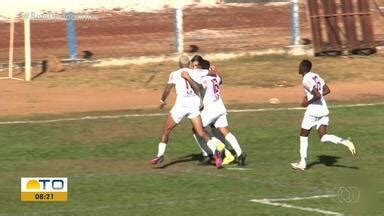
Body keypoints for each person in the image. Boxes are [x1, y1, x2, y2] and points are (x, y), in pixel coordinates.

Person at [150, 55, 225, 169]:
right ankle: (215, 152)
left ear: (179, 64)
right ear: (189, 64)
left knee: (166, 130)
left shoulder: (174, 74)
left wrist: (162, 101)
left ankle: (160, 155)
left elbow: (168, 89)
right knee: (201, 132)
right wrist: (213, 70)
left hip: (181, 106)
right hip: (193, 106)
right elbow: (212, 74)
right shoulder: (196, 72)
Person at [291, 59, 356, 171]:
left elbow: (316, 95)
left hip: (313, 112)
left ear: (303, 68)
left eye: (299, 66)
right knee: (323, 137)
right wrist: (314, 97)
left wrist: (307, 102)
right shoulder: (316, 75)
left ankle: (302, 163)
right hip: (323, 110)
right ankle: (345, 141)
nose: (298, 68)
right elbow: (327, 90)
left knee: (303, 135)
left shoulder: (306, 80)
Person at [192, 58, 246, 166]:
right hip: (220, 107)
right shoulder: (215, 75)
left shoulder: (203, 77)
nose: (195, 68)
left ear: (202, 68)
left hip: (210, 109)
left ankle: (207, 154)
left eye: (196, 66)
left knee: (196, 129)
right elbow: (221, 80)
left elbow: (197, 87)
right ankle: (240, 154)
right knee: (225, 131)